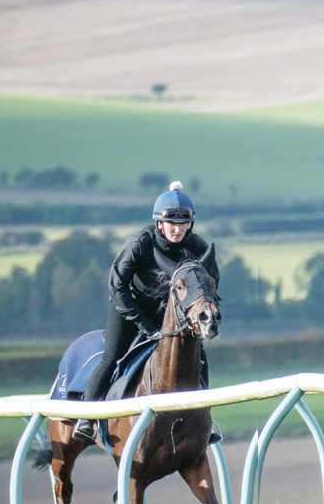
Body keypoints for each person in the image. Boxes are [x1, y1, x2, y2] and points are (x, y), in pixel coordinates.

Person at [73, 181, 220, 444]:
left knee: (198, 356)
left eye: (183, 223)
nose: (177, 229)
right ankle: (87, 417)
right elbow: (117, 284)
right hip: (130, 307)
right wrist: (142, 324)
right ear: (158, 223)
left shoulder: (197, 248)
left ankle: (205, 419)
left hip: (171, 312)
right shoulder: (140, 243)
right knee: (112, 356)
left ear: (190, 224)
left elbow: (209, 284)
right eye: (171, 223)